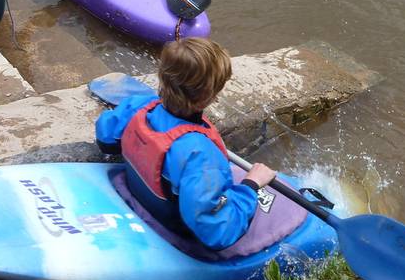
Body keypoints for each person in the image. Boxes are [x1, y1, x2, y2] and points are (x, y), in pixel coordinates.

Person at [95, 38, 279, 251]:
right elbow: (216, 231)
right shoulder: (199, 154)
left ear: (163, 78)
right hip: (174, 226)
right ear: (207, 99)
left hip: (142, 195)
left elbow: (105, 139)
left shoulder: (139, 107)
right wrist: (251, 185)